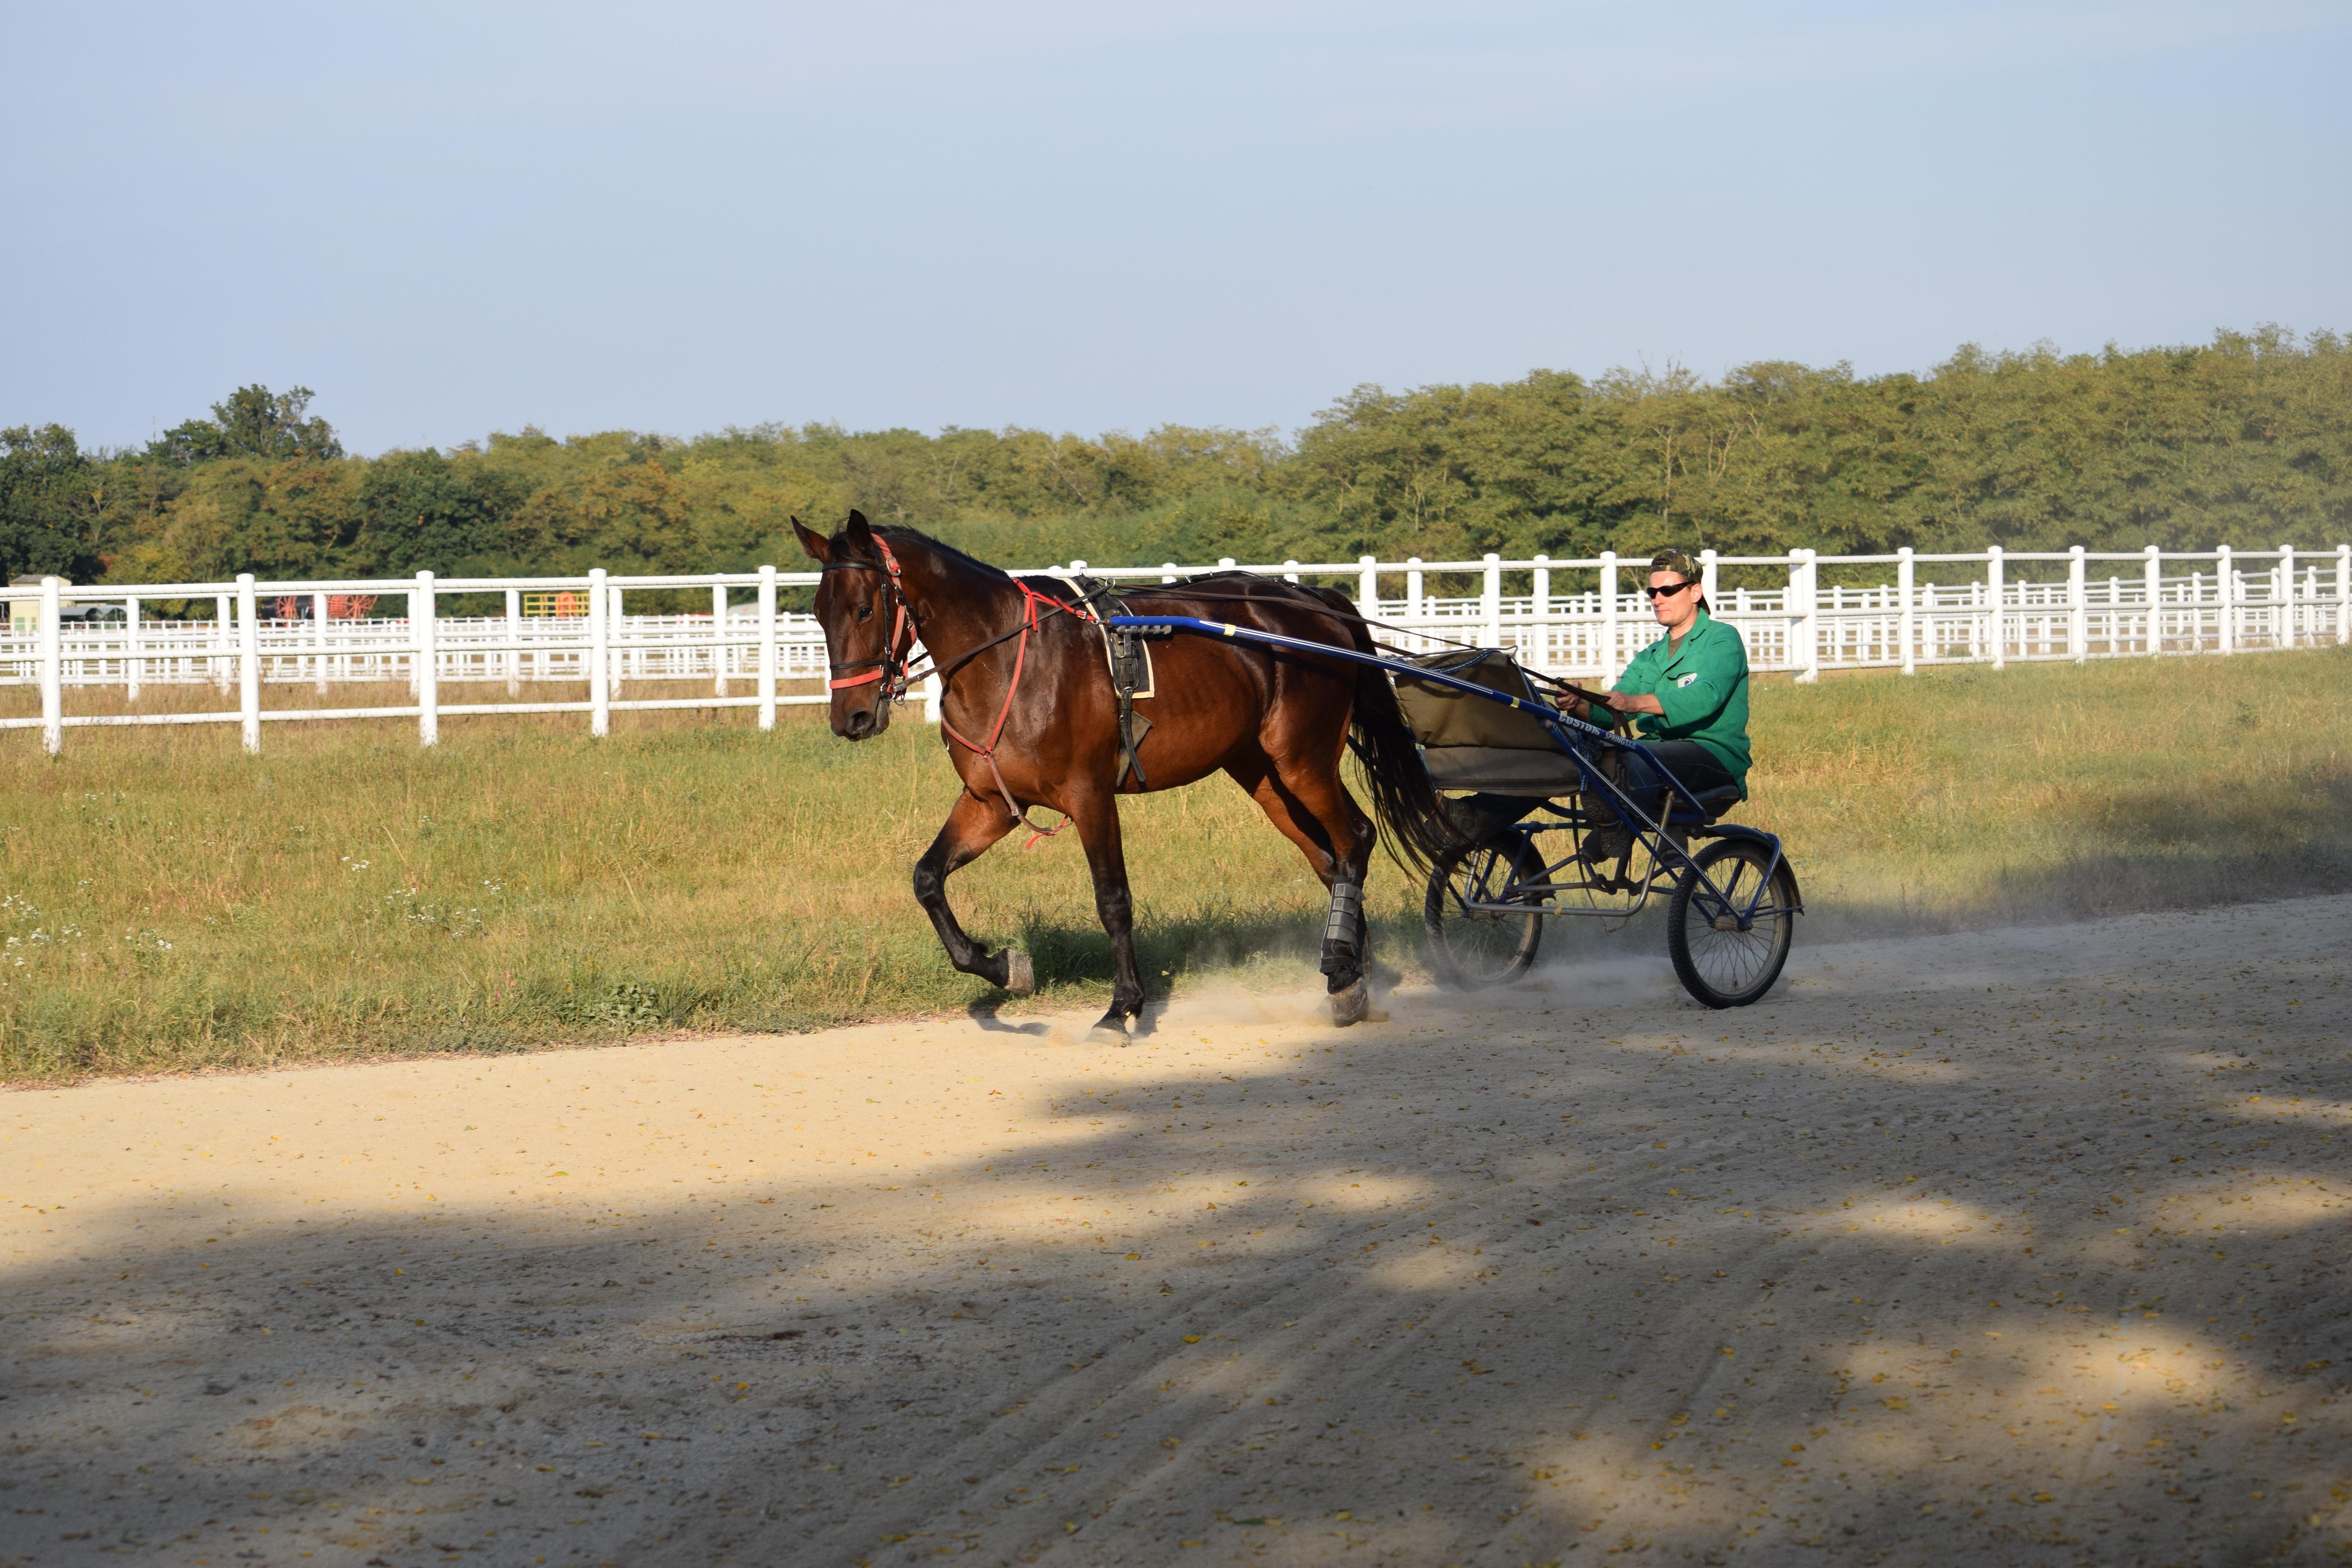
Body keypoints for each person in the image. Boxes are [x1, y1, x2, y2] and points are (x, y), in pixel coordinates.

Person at [1560, 547, 1751, 860]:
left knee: (1634, 757)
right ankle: (1479, 819)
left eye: (1668, 590)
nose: (1657, 598)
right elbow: (1612, 709)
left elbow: (1705, 697)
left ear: (1695, 592)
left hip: (1713, 755)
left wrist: (1635, 702)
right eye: (1652, 592)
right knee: (1565, 745)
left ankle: (1619, 828)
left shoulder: (1722, 639)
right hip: (1657, 754)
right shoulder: (1651, 655)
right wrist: (1580, 702)